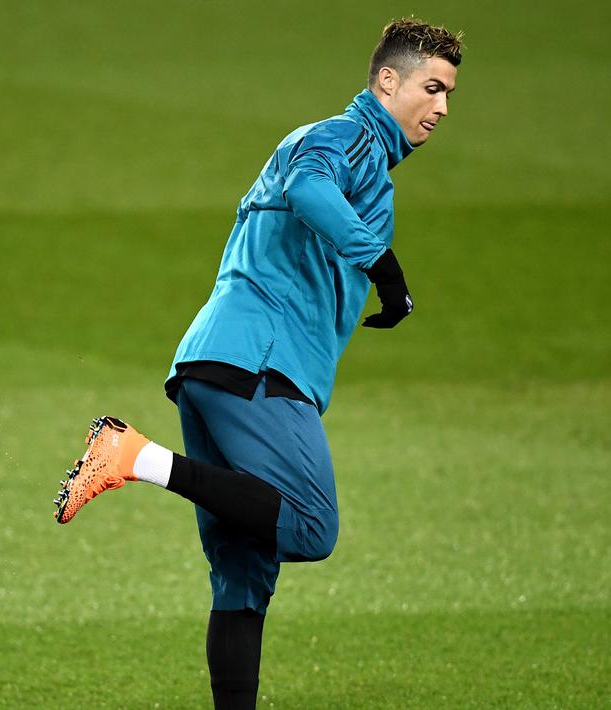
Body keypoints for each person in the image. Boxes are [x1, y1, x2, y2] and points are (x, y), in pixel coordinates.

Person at [52, 18, 463, 710]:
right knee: (309, 525)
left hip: (215, 364)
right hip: (260, 367)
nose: (442, 108)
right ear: (386, 82)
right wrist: (384, 268)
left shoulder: (347, 153)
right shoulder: (346, 137)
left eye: (449, 93)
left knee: (243, 580)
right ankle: (131, 455)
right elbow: (307, 188)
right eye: (431, 87)